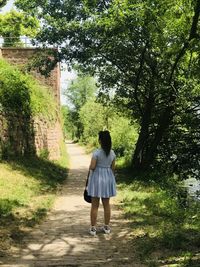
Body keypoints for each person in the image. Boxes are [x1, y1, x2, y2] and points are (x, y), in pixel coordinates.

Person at [87, 130, 116, 236]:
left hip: (97, 179)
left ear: (100, 141)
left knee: (94, 205)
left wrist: (90, 166)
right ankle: (107, 226)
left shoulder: (96, 152)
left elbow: (93, 167)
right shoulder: (112, 153)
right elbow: (113, 169)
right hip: (108, 178)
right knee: (106, 204)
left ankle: (93, 228)